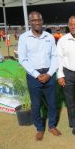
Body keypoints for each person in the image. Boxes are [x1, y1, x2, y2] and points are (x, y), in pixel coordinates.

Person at [18, 11, 61, 141]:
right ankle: (39, 129)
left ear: (42, 21)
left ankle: (52, 126)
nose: (37, 22)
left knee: (52, 103)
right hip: (33, 75)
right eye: (34, 20)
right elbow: (22, 59)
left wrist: (49, 74)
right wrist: (37, 75)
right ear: (30, 22)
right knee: (36, 105)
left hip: (49, 73)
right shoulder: (24, 38)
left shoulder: (49, 36)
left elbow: (55, 57)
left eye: (39, 20)